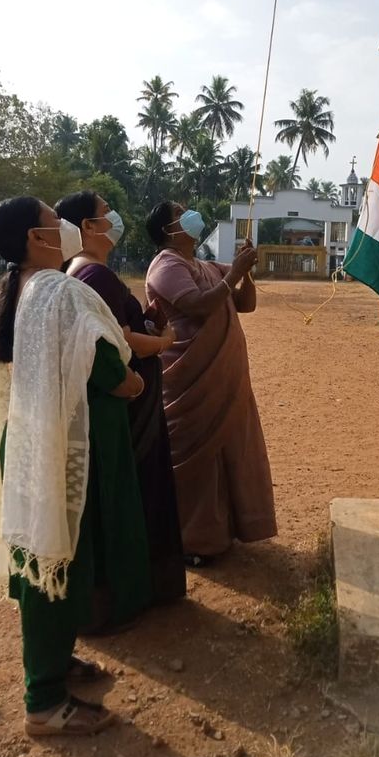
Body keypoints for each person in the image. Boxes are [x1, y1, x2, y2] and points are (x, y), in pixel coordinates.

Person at [0, 196, 152, 736]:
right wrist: (130, 382)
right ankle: (43, 701)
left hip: (30, 438)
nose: (62, 226)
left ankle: (55, 662)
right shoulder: (57, 291)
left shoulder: (14, 290)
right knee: (54, 558)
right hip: (56, 445)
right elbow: (103, 360)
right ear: (37, 239)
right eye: (51, 220)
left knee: (46, 556)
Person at [55, 190, 186, 604]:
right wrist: (163, 341)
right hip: (128, 396)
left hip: (120, 396)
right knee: (140, 487)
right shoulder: (95, 275)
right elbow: (120, 342)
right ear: (89, 227)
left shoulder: (81, 272)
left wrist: (147, 320)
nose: (114, 217)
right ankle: (137, 587)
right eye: (106, 211)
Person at [145, 201, 277, 567]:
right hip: (188, 377)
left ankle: (227, 529)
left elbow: (244, 304)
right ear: (168, 230)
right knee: (195, 458)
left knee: (230, 450)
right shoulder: (166, 265)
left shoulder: (205, 265)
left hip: (223, 374)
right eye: (180, 213)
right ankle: (193, 539)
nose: (190, 215)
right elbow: (199, 305)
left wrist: (246, 273)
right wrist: (234, 272)